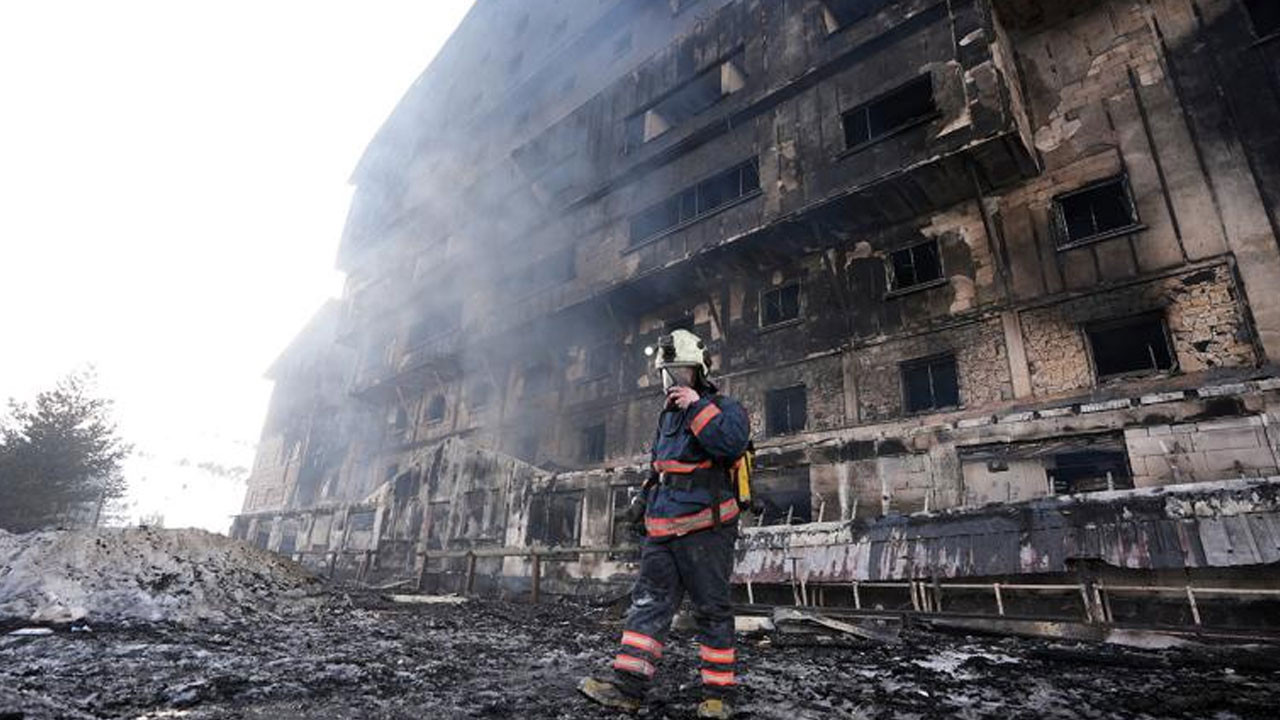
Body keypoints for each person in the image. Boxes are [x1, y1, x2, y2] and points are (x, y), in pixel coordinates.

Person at [579, 329, 751, 719]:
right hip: (663, 530)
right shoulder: (667, 418)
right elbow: (659, 468)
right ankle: (627, 689)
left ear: (698, 371)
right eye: (666, 373)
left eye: (679, 372)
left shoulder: (725, 407)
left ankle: (718, 697)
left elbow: (729, 445)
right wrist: (640, 504)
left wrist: (697, 406)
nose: (671, 381)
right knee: (647, 606)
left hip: (707, 531)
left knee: (712, 610)